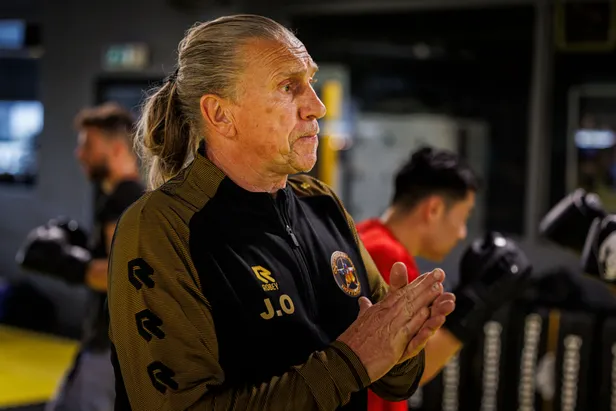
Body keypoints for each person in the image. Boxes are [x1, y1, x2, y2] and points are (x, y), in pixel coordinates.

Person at [106, 14, 457, 411]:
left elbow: (393, 380)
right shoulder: (161, 226)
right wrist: (352, 361)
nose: (317, 107)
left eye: (310, 81)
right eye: (288, 87)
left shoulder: (321, 204)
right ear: (220, 115)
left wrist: (402, 345)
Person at [16, 102, 145, 411]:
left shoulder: (123, 199)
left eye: (88, 145)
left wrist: (64, 262)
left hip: (108, 349)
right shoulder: (131, 196)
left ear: (116, 149)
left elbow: (122, 278)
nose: (79, 154)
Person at [356, 147, 477, 411]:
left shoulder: (366, 235)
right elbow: (412, 368)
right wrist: (478, 305)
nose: (462, 233)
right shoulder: (388, 257)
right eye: (464, 216)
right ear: (434, 209)